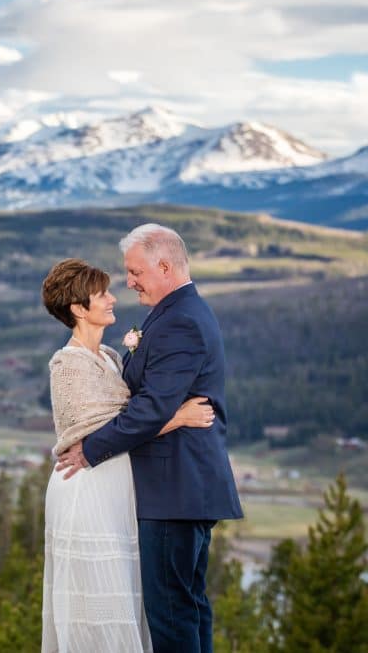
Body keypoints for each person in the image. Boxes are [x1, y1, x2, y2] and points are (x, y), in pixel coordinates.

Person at [56, 224, 244, 653]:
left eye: (135, 271)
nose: (129, 282)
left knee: (171, 612)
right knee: (186, 605)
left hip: (173, 488)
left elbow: (150, 409)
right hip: (179, 487)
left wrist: (90, 449)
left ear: (164, 265)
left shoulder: (180, 322)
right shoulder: (177, 313)